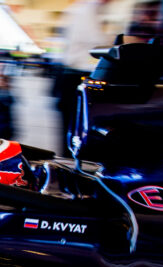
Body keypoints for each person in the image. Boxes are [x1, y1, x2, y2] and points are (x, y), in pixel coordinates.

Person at [53, 0, 113, 156]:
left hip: (73, 76)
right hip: (76, 76)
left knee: (74, 129)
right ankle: (73, 167)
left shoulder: (86, 9)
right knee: (76, 130)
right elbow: (98, 42)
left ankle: (72, 162)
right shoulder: (86, 10)